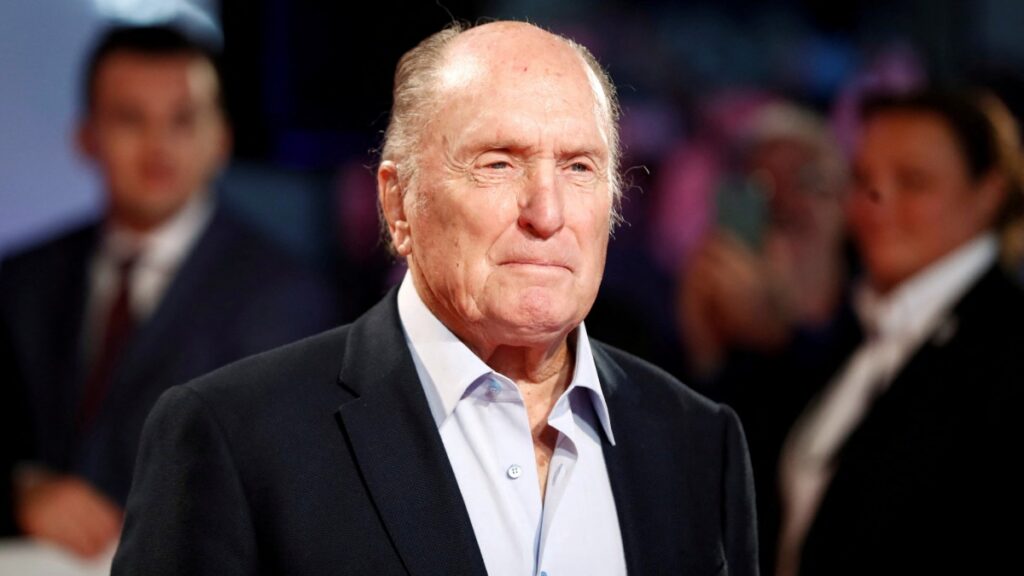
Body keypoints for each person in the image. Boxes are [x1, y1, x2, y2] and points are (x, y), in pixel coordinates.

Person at [112, 21, 759, 575]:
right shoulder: (234, 439)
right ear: (399, 204)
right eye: (498, 163)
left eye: (578, 167)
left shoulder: (699, 444)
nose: (547, 213)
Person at [0, 24, 338, 557]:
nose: (158, 146)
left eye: (183, 119)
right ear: (86, 137)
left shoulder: (285, 297)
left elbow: (286, 487)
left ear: (221, 138)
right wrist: (20, 492)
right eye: (130, 118)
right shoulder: (21, 281)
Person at [745, 89, 1024, 576]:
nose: (877, 203)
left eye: (913, 181)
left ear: (988, 193)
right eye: (863, 180)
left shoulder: (1006, 347)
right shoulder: (863, 331)